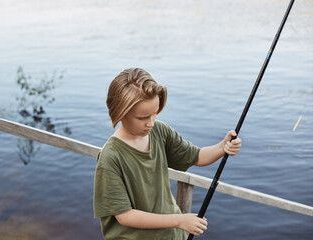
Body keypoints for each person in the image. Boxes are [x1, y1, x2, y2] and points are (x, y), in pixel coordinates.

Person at [94, 68, 242, 240]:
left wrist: (222, 147)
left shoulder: (159, 131)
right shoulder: (110, 157)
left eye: (154, 114)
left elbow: (197, 156)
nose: (150, 123)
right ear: (119, 113)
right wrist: (179, 221)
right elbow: (125, 216)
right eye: (142, 118)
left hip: (172, 235)